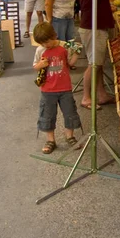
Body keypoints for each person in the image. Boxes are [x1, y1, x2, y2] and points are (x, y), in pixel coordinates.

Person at [33, 22, 82, 155]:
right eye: (42, 43)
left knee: (70, 112)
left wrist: (76, 54)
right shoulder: (40, 50)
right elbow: (35, 67)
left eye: (47, 42)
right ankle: (50, 140)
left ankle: (70, 136)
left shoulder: (64, 46)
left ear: (54, 36)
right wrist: (41, 64)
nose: (46, 45)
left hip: (65, 87)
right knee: (47, 115)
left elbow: (70, 64)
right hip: (47, 89)